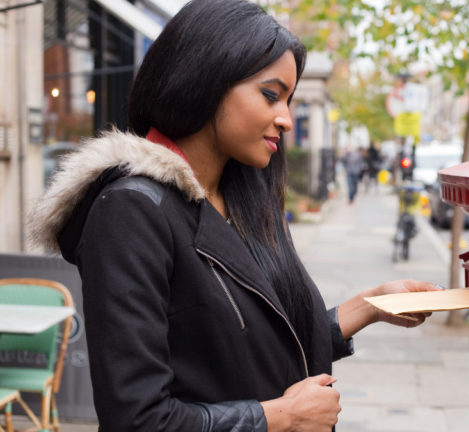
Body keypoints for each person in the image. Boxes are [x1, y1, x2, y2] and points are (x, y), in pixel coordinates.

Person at [28, 1, 438, 430]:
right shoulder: (131, 211)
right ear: (206, 79)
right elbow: (137, 417)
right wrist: (281, 416)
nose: (285, 118)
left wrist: (372, 306)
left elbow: (252, 345)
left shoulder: (239, 196)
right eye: (270, 94)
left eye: (290, 100)